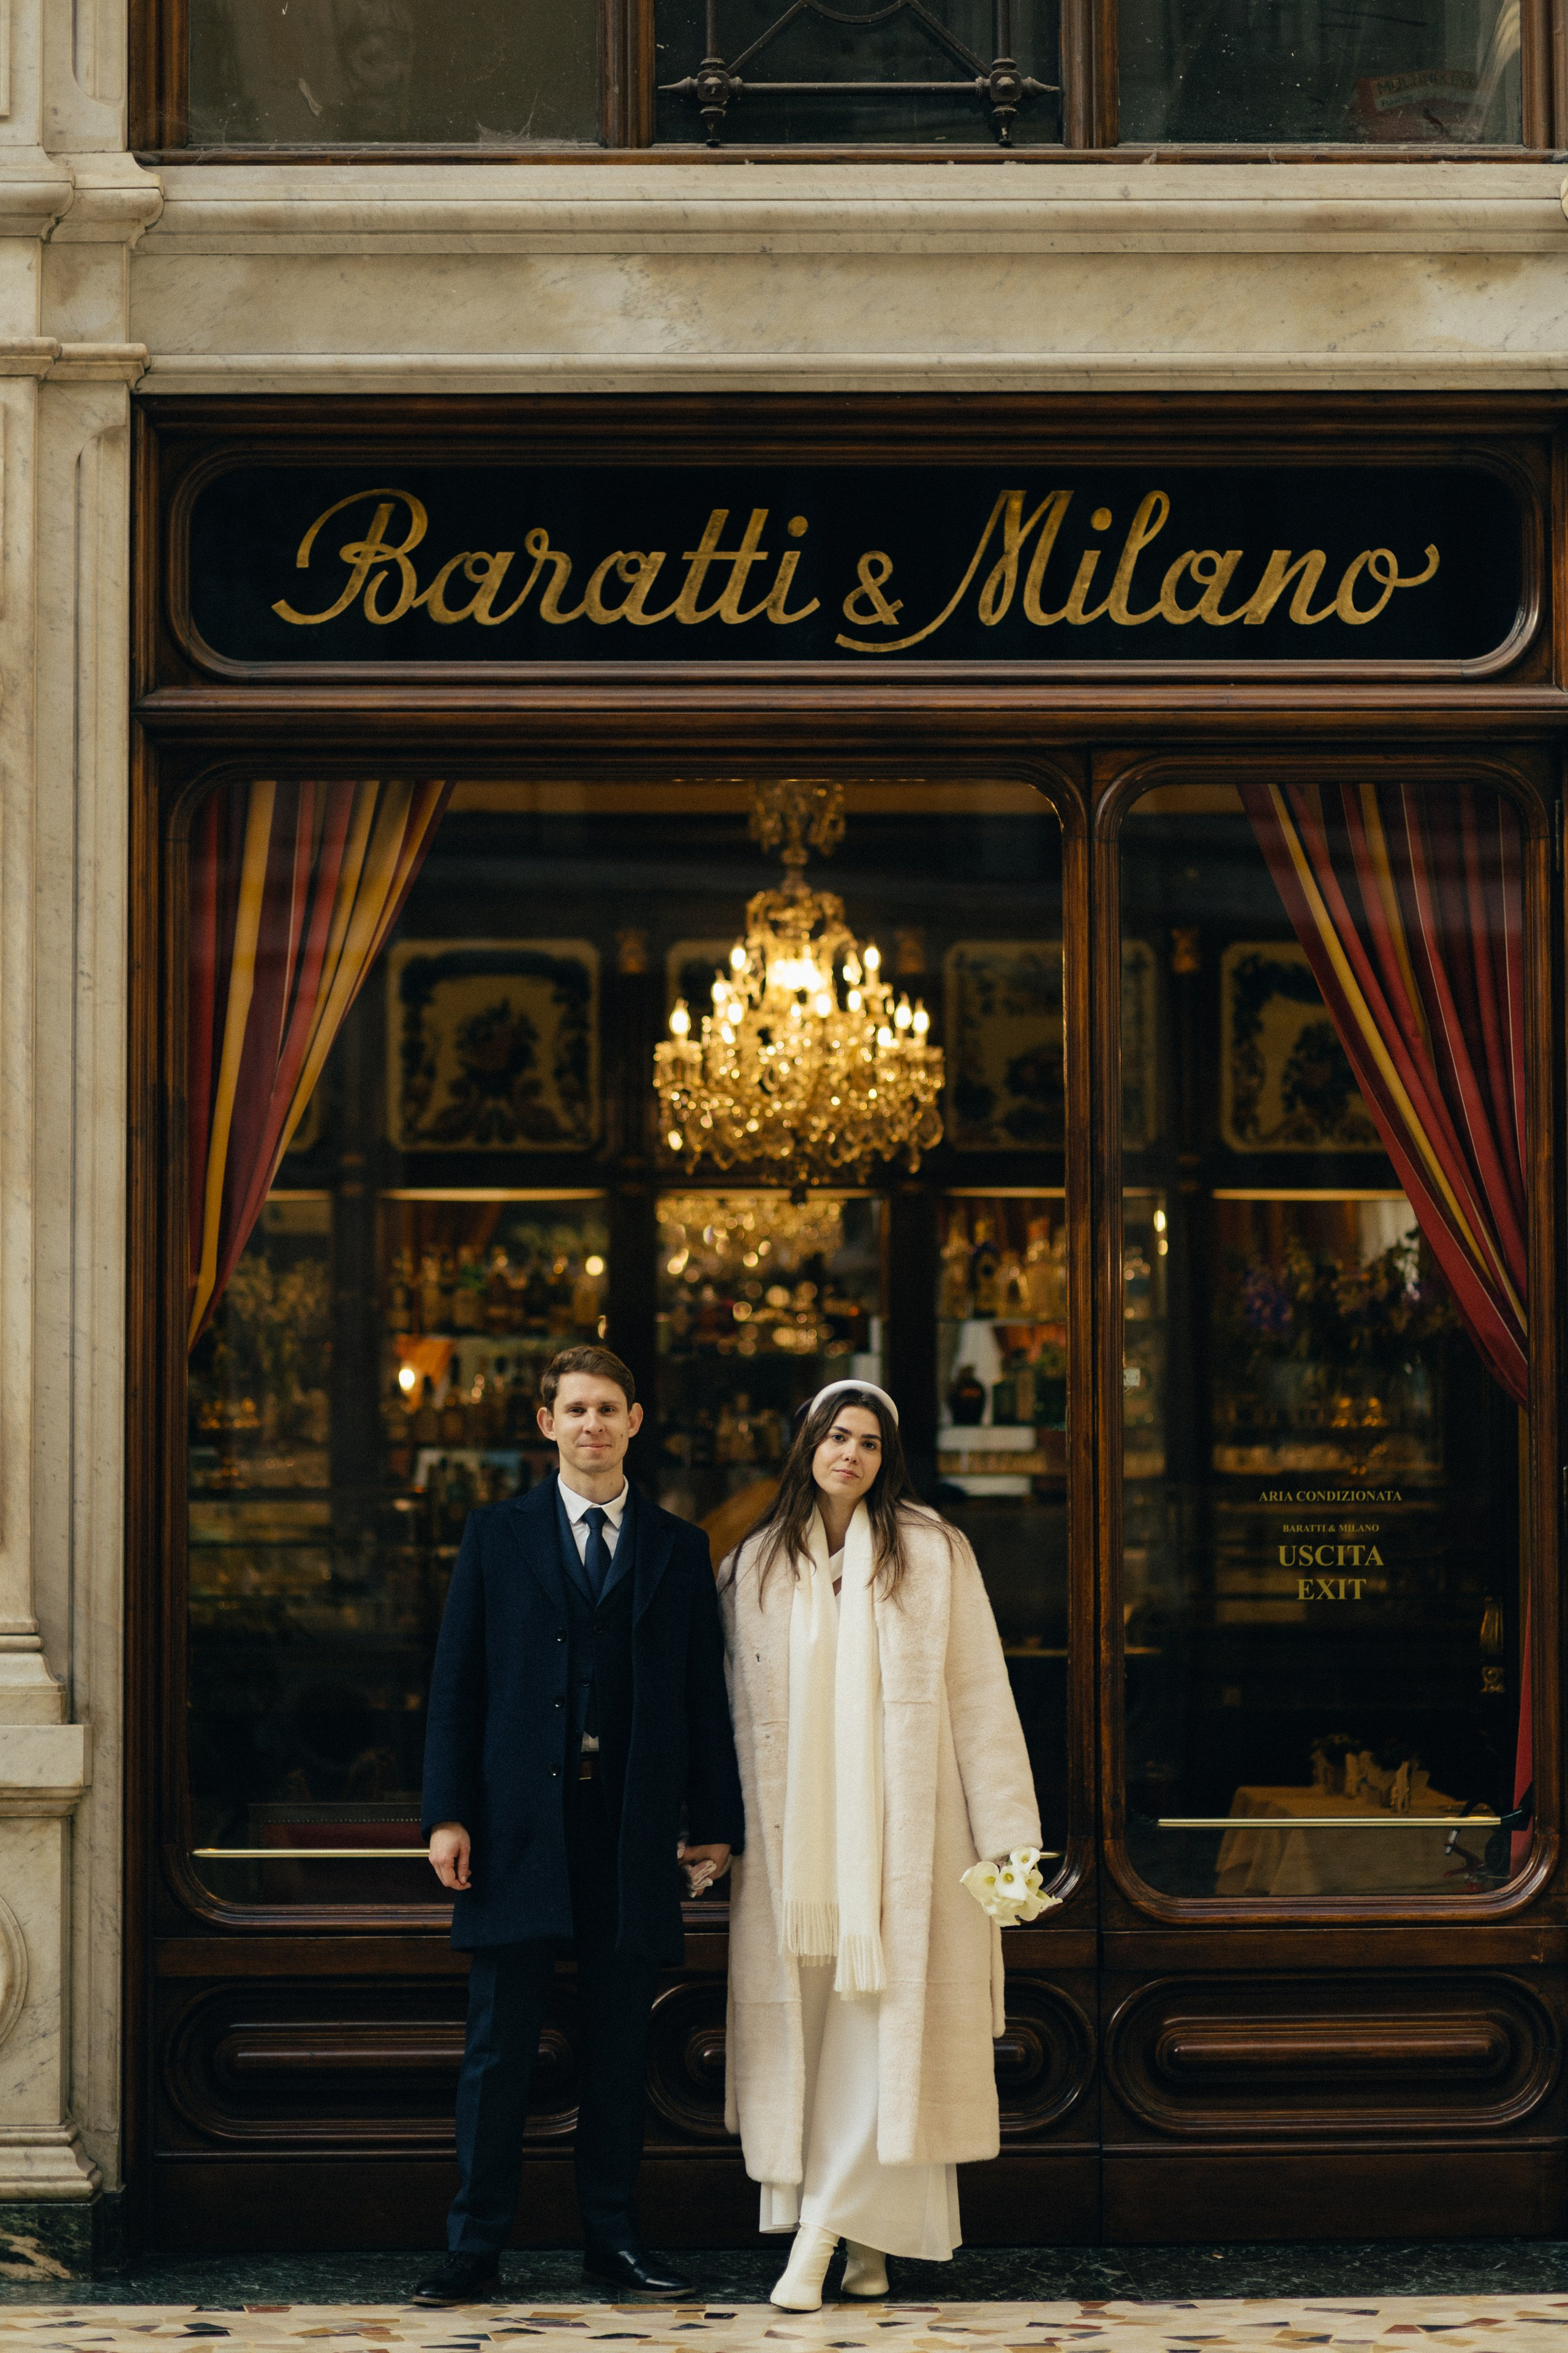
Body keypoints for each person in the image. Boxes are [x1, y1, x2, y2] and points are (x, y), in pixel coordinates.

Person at [415, 1344, 745, 2307]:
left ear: (637, 1421)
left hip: (630, 1822)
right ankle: (473, 2248)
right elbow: (457, 1685)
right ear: (546, 1422)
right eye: (576, 1408)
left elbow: (702, 1699)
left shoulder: (680, 1546)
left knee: (614, 2045)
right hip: (517, 1822)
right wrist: (446, 1814)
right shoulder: (496, 1533)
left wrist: (713, 1824)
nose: (593, 1423)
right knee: (499, 2046)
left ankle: (615, 2242)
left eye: (609, 1407)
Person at [720, 1380, 1039, 2312]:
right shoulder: (752, 1568)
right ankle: (869, 2244)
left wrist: (1011, 1844)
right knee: (813, 2051)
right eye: (833, 1435)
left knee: (880, 2048)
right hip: (797, 1860)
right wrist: (710, 1834)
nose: (848, 1453)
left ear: (886, 1458)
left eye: (867, 1440)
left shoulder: (936, 1556)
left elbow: (982, 1703)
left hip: (907, 1852)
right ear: (806, 1444)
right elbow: (731, 1715)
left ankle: (816, 2243)